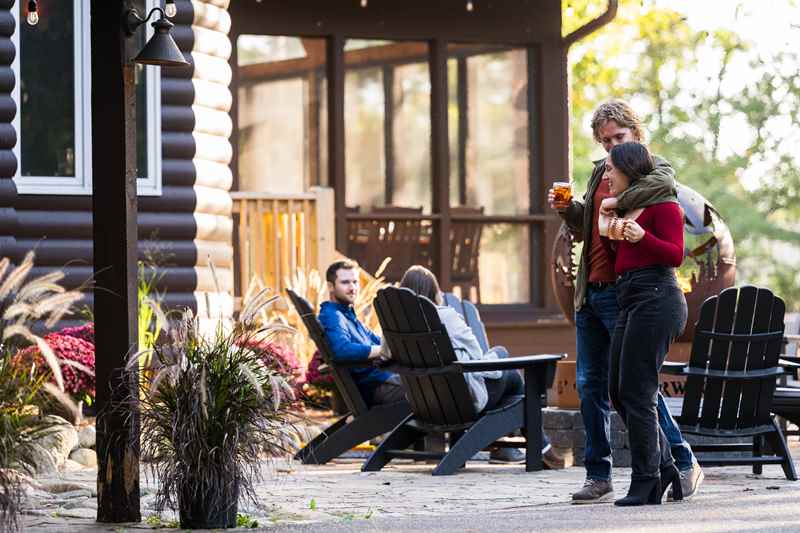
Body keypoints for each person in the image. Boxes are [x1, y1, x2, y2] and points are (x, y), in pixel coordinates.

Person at [548, 100, 702, 504]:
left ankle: (679, 462)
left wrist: (617, 202)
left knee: (637, 387)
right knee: (594, 385)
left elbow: (661, 196)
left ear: (636, 133)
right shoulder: (602, 173)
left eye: (619, 137)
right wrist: (570, 210)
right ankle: (600, 474)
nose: (611, 147)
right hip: (591, 290)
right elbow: (588, 227)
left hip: (630, 291)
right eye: (605, 141)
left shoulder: (652, 168)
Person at [398, 265, 565, 469]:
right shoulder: (446, 317)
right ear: (434, 292)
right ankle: (540, 447)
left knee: (509, 390)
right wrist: (498, 356)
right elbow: (479, 361)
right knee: (510, 371)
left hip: (426, 404)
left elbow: (386, 354)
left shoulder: (396, 325)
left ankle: (511, 448)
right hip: (464, 402)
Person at [600, 142, 688, 505]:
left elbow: (676, 254)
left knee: (638, 391)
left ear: (629, 169)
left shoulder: (664, 205)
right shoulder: (623, 207)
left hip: (657, 298)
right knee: (619, 391)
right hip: (630, 298)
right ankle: (665, 466)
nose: (605, 175)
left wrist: (643, 237)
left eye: (610, 169)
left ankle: (646, 480)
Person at [318, 260, 402, 407]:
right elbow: (341, 350)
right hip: (377, 387)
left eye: (355, 282)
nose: (352, 288)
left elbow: (377, 340)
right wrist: (381, 350)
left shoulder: (348, 315)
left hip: (385, 380)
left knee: (432, 383)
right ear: (331, 286)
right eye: (345, 282)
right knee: (433, 390)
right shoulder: (333, 315)